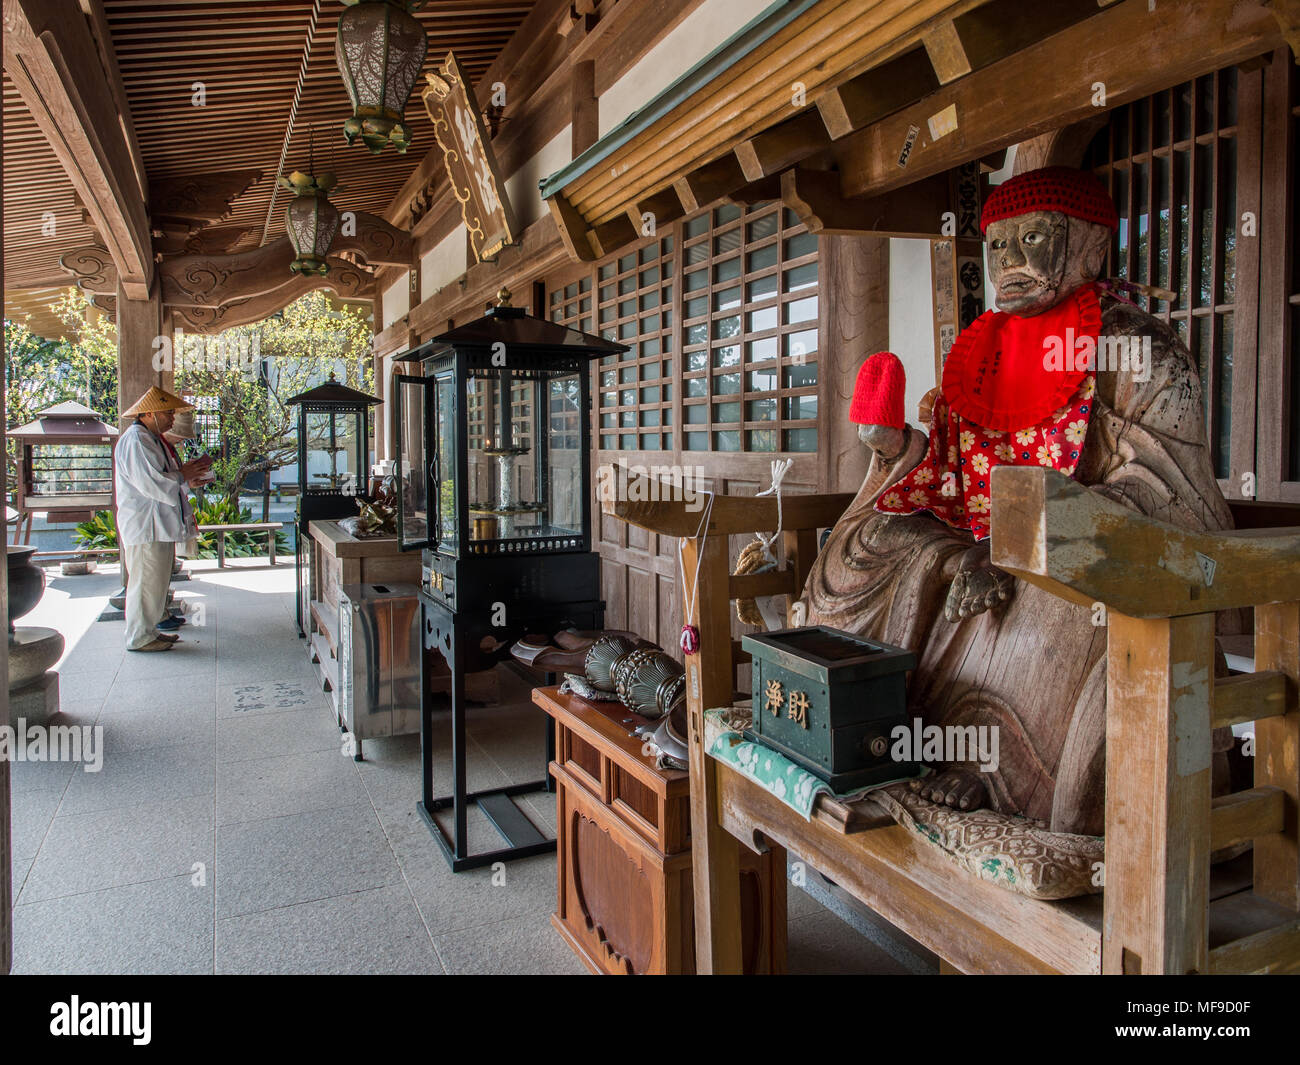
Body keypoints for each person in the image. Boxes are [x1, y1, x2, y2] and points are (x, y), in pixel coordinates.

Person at [799, 167, 1235, 835]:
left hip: (1086, 551)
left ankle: (1004, 770)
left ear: (1094, 249)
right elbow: (950, 467)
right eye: (999, 245)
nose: (1013, 261)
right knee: (870, 542)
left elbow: (1170, 492)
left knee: (1070, 590)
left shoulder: (1139, 349)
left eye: (1036, 238)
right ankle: (885, 727)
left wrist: (1037, 532)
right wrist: (898, 453)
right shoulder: (986, 352)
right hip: (979, 540)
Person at [114, 387, 212, 652]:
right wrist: (182, 474)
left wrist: (185, 477)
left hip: (157, 525)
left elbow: (166, 478)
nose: (171, 418)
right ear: (149, 413)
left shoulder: (150, 439)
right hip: (147, 525)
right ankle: (139, 637)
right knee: (146, 582)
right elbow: (152, 483)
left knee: (154, 581)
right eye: (167, 412)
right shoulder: (137, 440)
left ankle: (150, 629)